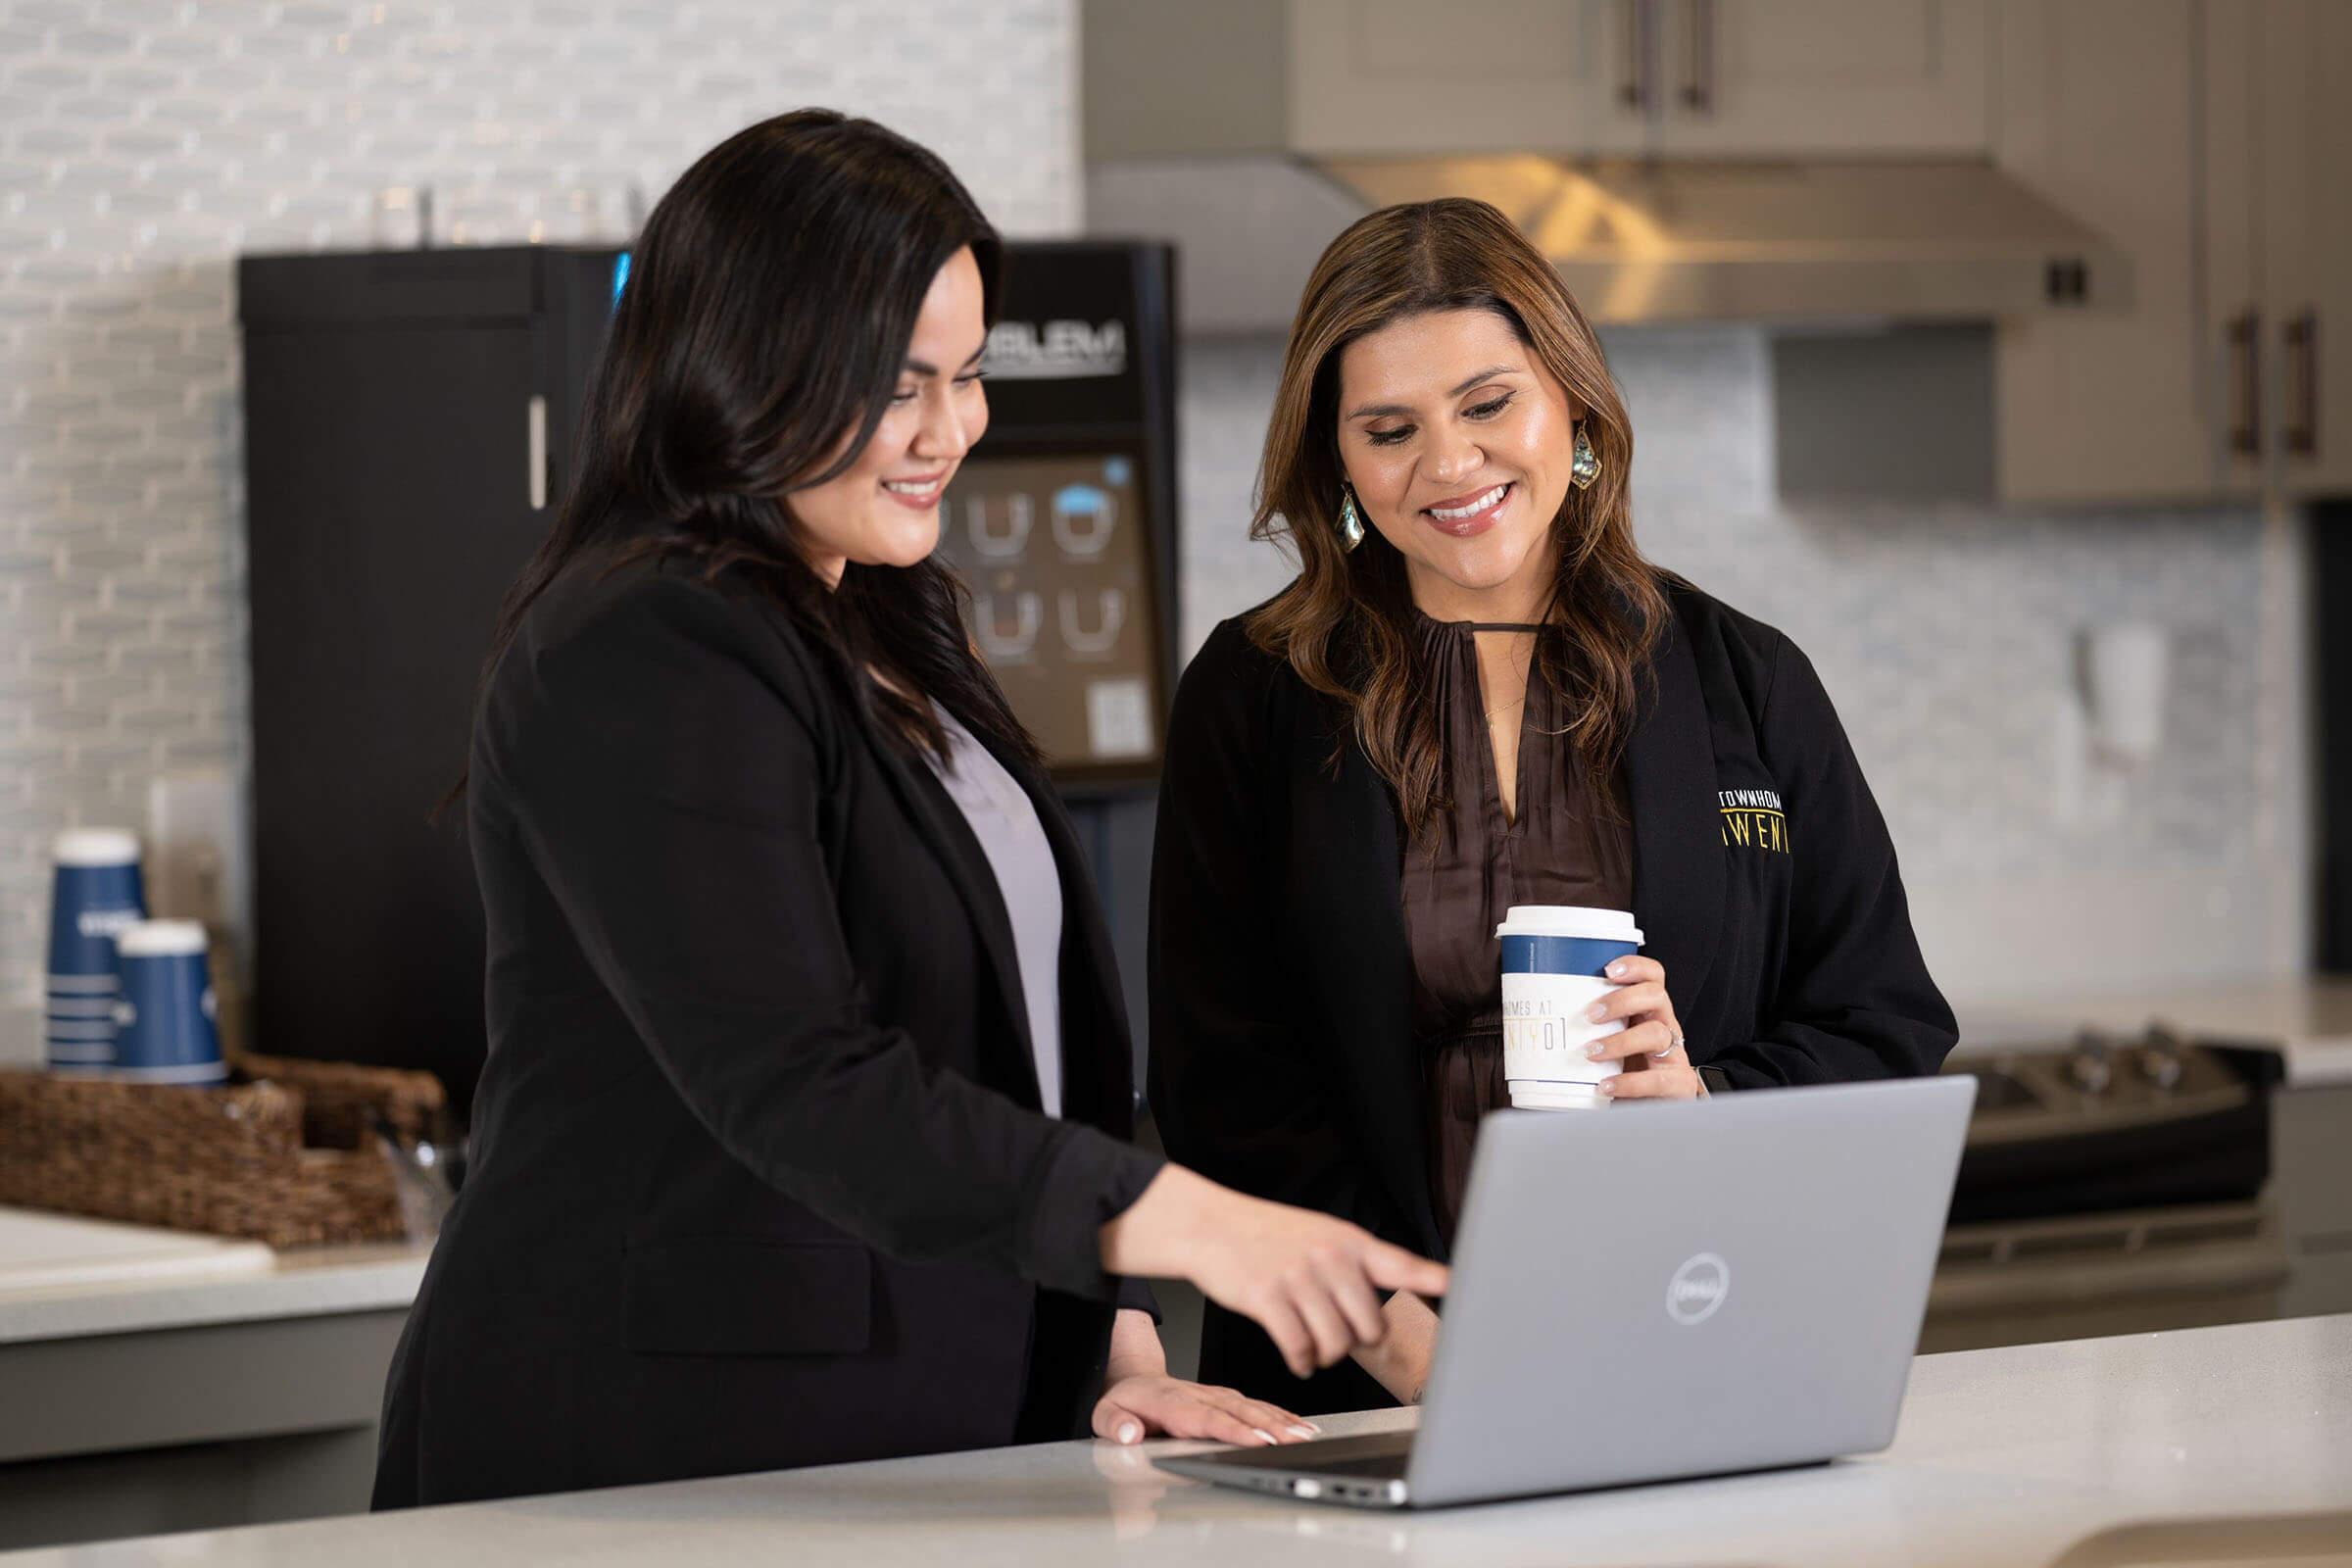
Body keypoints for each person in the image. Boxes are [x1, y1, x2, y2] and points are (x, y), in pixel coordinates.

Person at [371, 111, 1446, 1510]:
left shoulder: (878, 615)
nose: (952, 431)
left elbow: (1008, 1043)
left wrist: (1108, 1352)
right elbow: (803, 1078)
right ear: (749, 363)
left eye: (969, 375)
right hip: (658, 1457)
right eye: (896, 385)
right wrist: (1186, 1224)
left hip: (908, 1435)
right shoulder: (641, 641)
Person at [1148, 198, 1956, 1416]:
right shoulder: (1255, 693)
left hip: (1694, 1348)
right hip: (1353, 1388)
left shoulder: (1746, 680)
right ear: (1340, 464)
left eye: (1488, 404)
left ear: (1569, 404)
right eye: (1389, 429)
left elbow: (1885, 1028)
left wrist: (1703, 1101)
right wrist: (1420, 1359)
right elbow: (1223, 1086)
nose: (1451, 465)